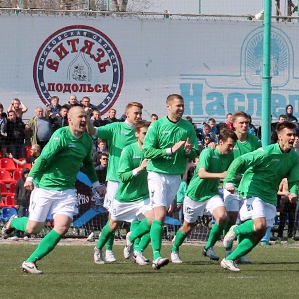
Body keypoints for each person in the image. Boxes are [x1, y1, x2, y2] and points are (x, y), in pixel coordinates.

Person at [2, 106, 105, 274]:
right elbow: (44, 158)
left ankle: (30, 261)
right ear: (70, 120)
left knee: (62, 227)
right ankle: (14, 222)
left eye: (85, 117)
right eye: (80, 116)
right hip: (45, 188)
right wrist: (30, 177)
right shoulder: (61, 136)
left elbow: (87, 163)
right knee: (33, 229)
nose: (84, 120)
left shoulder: (87, 140)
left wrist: (96, 184)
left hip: (67, 190)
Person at [221, 121, 299, 272]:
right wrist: (229, 180)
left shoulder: (294, 157)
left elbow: (294, 179)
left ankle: (229, 259)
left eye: (294, 135)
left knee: (260, 232)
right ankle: (235, 230)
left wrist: (294, 192)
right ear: (280, 137)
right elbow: (240, 160)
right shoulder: (267, 152)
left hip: (270, 195)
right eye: (289, 135)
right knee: (259, 224)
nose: (292, 138)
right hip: (253, 189)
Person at [142, 94, 199, 269]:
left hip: (175, 176)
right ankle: (157, 256)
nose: (181, 108)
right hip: (156, 174)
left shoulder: (187, 127)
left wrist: (189, 151)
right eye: (178, 105)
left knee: (155, 218)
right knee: (159, 215)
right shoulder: (157, 126)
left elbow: (194, 152)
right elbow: (147, 152)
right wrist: (169, 150)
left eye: (182, 105)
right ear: (168, 107)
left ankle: (133, 239)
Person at [87, 101, 144, 262]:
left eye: (140, 113)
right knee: (114, 219)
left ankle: (135, 249)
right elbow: (93, 131)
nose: (138, 116)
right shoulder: (115, 128)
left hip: (137, 179)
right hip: (117, 179)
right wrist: (87, 117)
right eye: (136, 113)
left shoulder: (143, 131)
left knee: (140, 216)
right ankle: (108, 249)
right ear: (127, 114)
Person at [169, 129, 237, 264]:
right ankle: (174, 249)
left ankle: (208, 247)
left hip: (211, 193)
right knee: (188, 226)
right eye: (229, 145)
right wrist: (221, 175)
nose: (231, 148)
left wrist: (229, 182)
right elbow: (201, 174)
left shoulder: (230, 156)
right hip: (194, 194)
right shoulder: (208, 152)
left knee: (223, 217)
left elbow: (230, 174)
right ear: (220, 142)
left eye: (233, 146)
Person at [93, 121, 152, 266]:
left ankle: (136, 248)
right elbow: (123, 176)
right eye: (144, 133)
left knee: (154, 219)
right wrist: (140, 168)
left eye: (149, 133)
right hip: (125, 197)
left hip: (143, 196)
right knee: (113, 224)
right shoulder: (128, 150)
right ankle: (99, 248)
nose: (147, 136)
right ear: (137, 134)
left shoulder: (152, 150)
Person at [214, 111, 262, 261]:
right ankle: (228, 249)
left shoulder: (255, 141)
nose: (244, 125)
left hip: (248, 185)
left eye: (246, 122)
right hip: (231, 184)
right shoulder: (229, 140)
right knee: (232, 215)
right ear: (233, 124)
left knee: (246, 219)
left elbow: (259, 161)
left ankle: (240, 252)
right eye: (241, 123)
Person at [276, 177, 297, 242]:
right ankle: (279, 236)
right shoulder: (283, 180)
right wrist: (284, 193)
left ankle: (290, 236)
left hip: (292, 201)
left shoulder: (294, 180)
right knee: (283, 219)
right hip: (284, 200)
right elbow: (278, 191)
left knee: (292, 219)